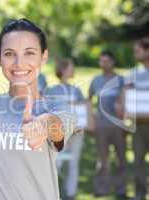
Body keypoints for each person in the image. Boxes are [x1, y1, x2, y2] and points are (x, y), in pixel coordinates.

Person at [0, 18, 76, 200]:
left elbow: (57, 127)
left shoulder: (58, 108)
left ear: (44, 56)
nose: (19, 63)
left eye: (29, 53)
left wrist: (44, 124)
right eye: (9, 53)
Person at [89, 51, 127, 199]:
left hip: (118, 126)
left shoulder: (120, 80)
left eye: (106, 61)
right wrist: (91, 119)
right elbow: (88, 100)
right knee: (102, 159)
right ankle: (101, 189)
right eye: (101, 61)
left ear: (113, 62)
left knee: (120, 159)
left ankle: (121, 190)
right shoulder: (95, 80)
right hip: (101, 126)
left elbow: (128, 101)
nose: (103, 64)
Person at [45, 58, 84, 200]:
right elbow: (48, 111)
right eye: (71, 67)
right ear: (63, 69)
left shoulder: (77, 90)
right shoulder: (51, 90)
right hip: (58, 134)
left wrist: (79, 126)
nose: (73, 70)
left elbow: (82, 111)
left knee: (74, 163)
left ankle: (71, 193)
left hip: (77, 133)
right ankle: (52, 193)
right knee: (57, 162)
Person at [124, 37, 149, 200]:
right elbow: (127, 95)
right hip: (138, 125)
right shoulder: (132, 73)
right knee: (138, 161)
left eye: (138, 51)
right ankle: (140, 193)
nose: (135, 54)